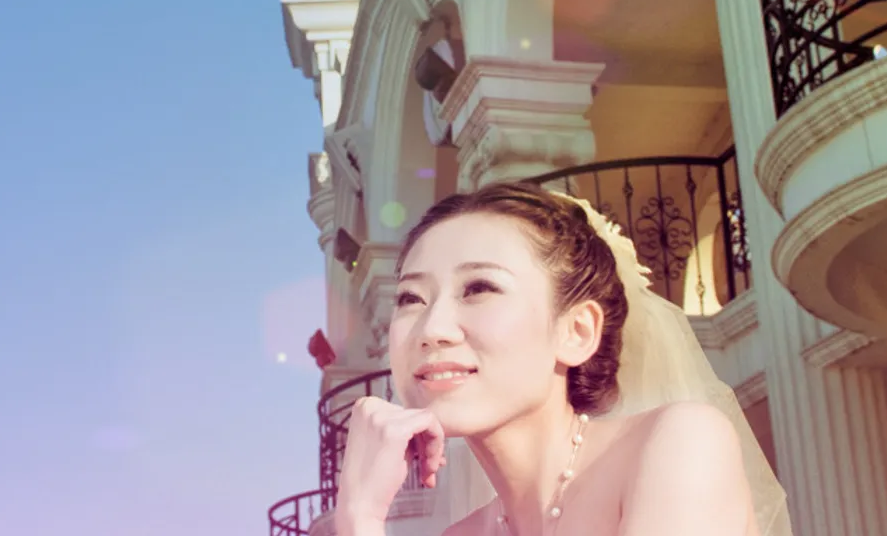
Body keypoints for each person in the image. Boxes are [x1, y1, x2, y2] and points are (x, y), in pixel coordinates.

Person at [335, 182, 792, 536]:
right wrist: (359, 514)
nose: (431, 329)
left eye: (479, 288)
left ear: (577, 332)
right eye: (411, 298)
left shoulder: (679, 444)